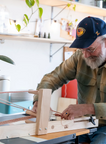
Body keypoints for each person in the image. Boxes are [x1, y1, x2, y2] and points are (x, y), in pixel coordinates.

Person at [32, 16, 106, 144]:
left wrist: (89, 108)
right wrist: (40, 99)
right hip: (82, 124)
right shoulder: (80, 57)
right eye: (82, 49)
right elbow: (53, 77)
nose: (86, 55)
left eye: (90, 49)